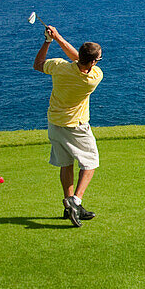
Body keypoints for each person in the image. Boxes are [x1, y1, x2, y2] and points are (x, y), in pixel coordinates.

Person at [32, 26, 103, 227]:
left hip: (55, 123)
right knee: (90, 162)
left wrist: (49, 41)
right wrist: (59, 39)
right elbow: (81, 61)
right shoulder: (93, 77)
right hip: (76, 126)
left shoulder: (59, 66)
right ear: (93, 62)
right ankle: (75, 201)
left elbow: (38, 64)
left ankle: (69, 207)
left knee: (66, 163)